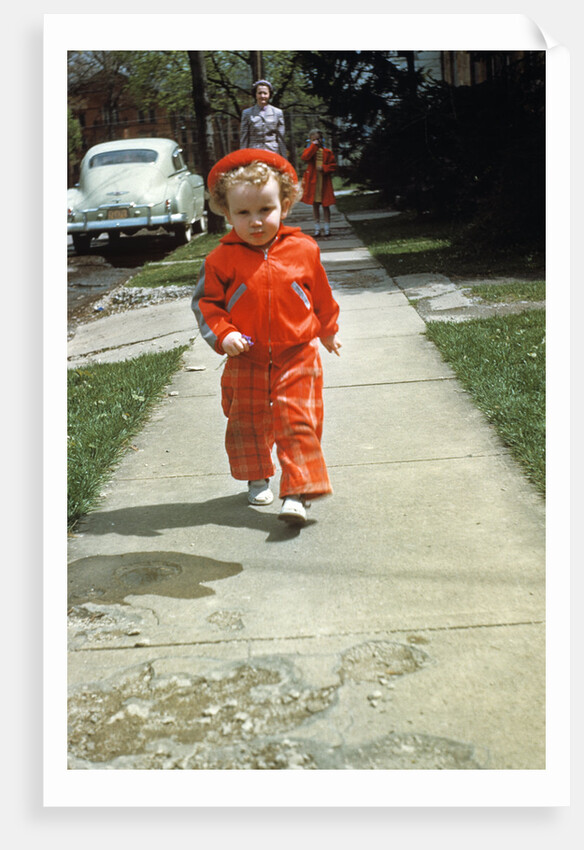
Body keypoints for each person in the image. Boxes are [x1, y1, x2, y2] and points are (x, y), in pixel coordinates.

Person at [192, 148, 341, 526]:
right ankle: (257, 474)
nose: (255, 222)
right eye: (243, 213)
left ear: (285, 205)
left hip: (297, 353)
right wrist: (223, 335)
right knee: (247, 420)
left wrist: (328, 330)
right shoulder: (220, 260)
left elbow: (321, 295)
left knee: (299, 419)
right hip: (247, 356)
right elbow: (207, 304)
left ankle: (298, 491)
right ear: (226, 214)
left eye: (265, 210)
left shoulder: (304, 250)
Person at [300, 129, 337, 238]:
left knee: (326, 205)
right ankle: (317, 228)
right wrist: (313, 146)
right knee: (315, 204)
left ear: (322, 139)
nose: (317, 141)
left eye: (319, 139)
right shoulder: (309, 151)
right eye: (314, 139)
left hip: (324, 182)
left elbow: (333, 166)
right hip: (313, 182)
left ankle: (327, 228)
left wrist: (325, 168)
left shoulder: (327, 152)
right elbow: (305, 158)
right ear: (310, 140)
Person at [239, 79, 287, 157]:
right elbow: (244, 138)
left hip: (273, 153)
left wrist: (284, 157)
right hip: (254, 152)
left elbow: (281, 138)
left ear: (269, 94)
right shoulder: (247, 113)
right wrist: (242, 157)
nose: (262, 96)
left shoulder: (278, 113)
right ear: (255, 94)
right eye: (259, 93)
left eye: (265, 93)